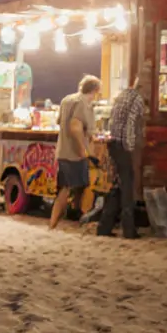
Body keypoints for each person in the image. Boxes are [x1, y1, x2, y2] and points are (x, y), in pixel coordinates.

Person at [49, 75, 101, 230]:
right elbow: (75, 127)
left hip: (63, 151)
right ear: (95, 90)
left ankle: (67, 219)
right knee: (72, 188)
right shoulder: (83, 103)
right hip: (75, 154)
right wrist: (83, 150)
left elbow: (59, 121)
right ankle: (59, 222)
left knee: (70, 187)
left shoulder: (66, 100)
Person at [98, 76, 145, 239]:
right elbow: (133, 125)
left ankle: (104, 226)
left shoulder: (122, 95)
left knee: (118, 186)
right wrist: (132, 149)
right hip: (124, 146)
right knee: (127, 189)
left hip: (113, 144)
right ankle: (128, 230)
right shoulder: (138, 100)